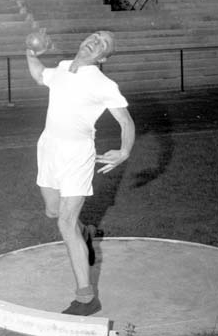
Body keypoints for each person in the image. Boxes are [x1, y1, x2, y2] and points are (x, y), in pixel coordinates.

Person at [26, 30, 135, 316]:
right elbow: (39, 75)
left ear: (103, 58)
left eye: (103, 44)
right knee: (53, 211)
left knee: (65, 222)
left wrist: (124, 150)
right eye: (95, 36)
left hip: (77, 154)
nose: (96, 41)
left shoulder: (103, 83)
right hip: (48, 148)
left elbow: (125, 121)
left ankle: (87, 299)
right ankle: (85, 231)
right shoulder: (63, 68)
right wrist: (30, 53)